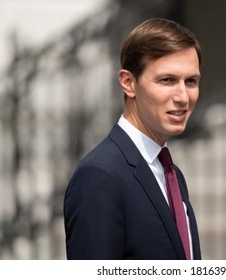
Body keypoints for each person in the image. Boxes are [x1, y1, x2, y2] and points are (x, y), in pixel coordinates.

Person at [64, 18, 202, 260]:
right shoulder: (100, 176)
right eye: (167, 80)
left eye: (191, 81)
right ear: (128, 83)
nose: (183, 96)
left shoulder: (171, 174)